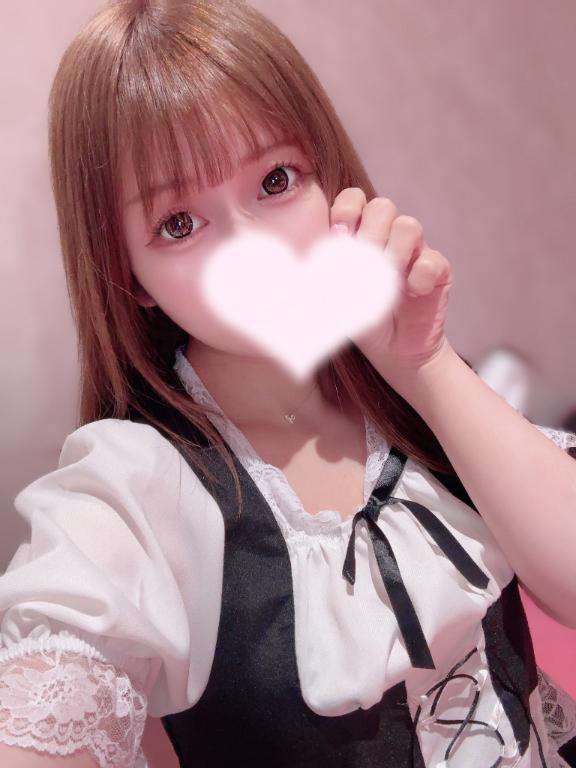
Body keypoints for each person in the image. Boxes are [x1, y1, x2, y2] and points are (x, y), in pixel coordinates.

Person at [1, 0, 575, 766]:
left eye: (275, 179)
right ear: (126, 273)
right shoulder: (135, 490)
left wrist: (427, 364)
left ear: (326, 177)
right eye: (179, 223)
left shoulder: (411, 387)